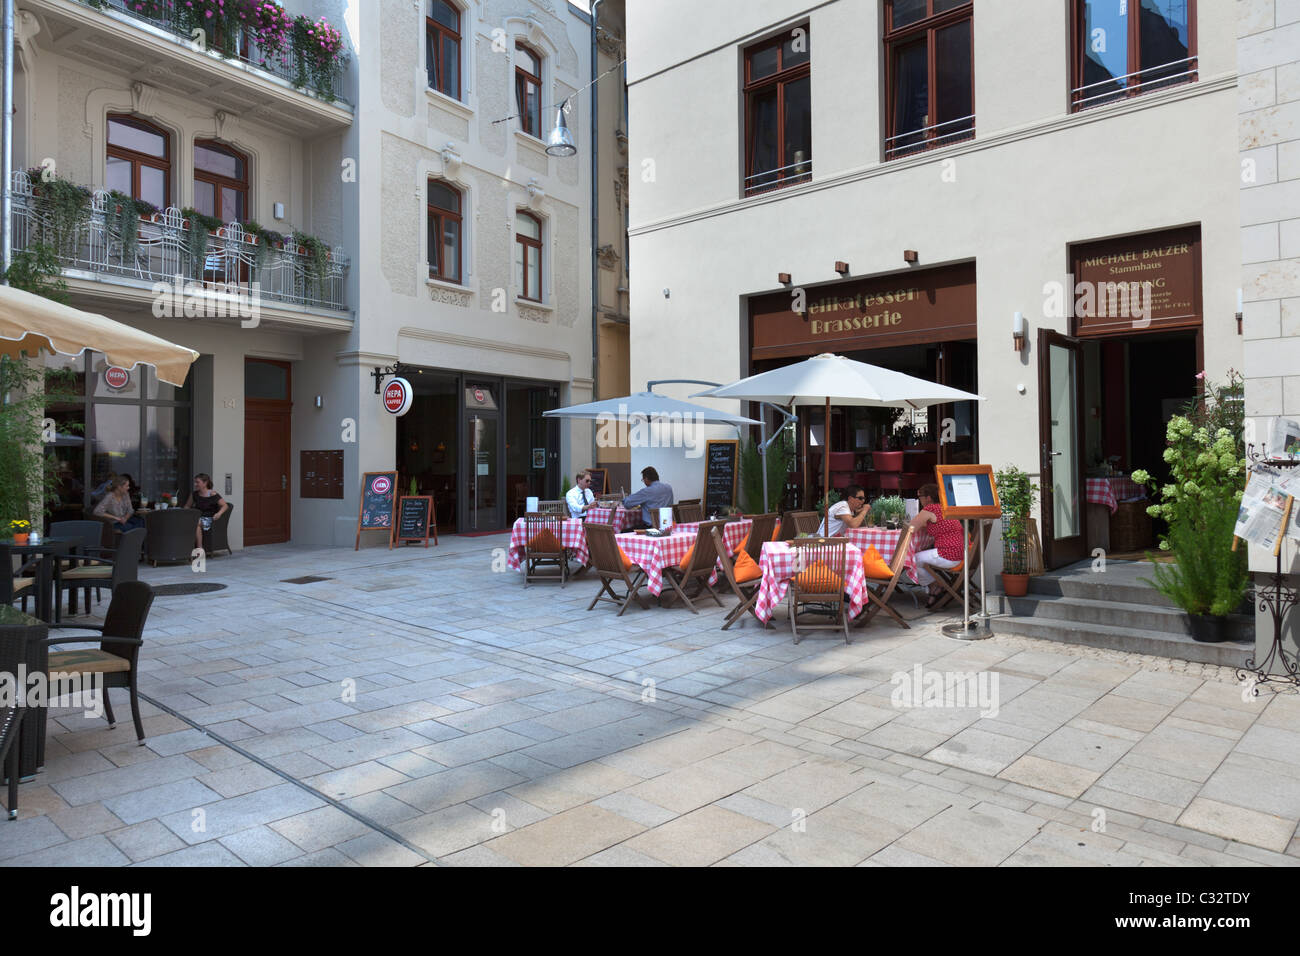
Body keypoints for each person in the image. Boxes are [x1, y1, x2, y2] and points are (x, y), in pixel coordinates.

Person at [910, 482, 968, 610]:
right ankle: (936, 587)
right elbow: (935, 525)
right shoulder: (944, 508)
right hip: (958, 554)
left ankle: (936, 585)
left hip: (948, 555)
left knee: (912, 559)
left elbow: (911, 528)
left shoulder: (930, 509)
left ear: (928, 498)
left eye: (920, 497)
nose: (920, 500)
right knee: (918, 557)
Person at [184, 473, 229, 552]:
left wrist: (219, 513)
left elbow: (225, 506)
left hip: (208, 519)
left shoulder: (212, 494)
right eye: (195, 482)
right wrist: (187, 514)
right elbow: (187, 506)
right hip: (196, 518)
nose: (195, 484)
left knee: (196, 523)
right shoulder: (194, 494)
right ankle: (189, 549)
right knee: (193, 523)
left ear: (205, 483)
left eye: (197, 482)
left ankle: (199, 548)